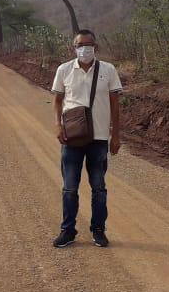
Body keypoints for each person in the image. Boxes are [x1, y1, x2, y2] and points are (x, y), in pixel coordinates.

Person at [51, 29, 123, 248]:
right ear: (73, 48)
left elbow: (114, 104)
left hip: (100, 138)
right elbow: (57, 100)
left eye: (89, 44)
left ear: (96, 47)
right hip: (72, 138)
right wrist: (58, 125)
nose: (84, 48)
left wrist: (116, 134)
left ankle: (99, 230)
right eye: (80, 45)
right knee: (70, 187)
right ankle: (68, 230)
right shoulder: (64, 70)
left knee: (99, 187)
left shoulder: (108, 70)